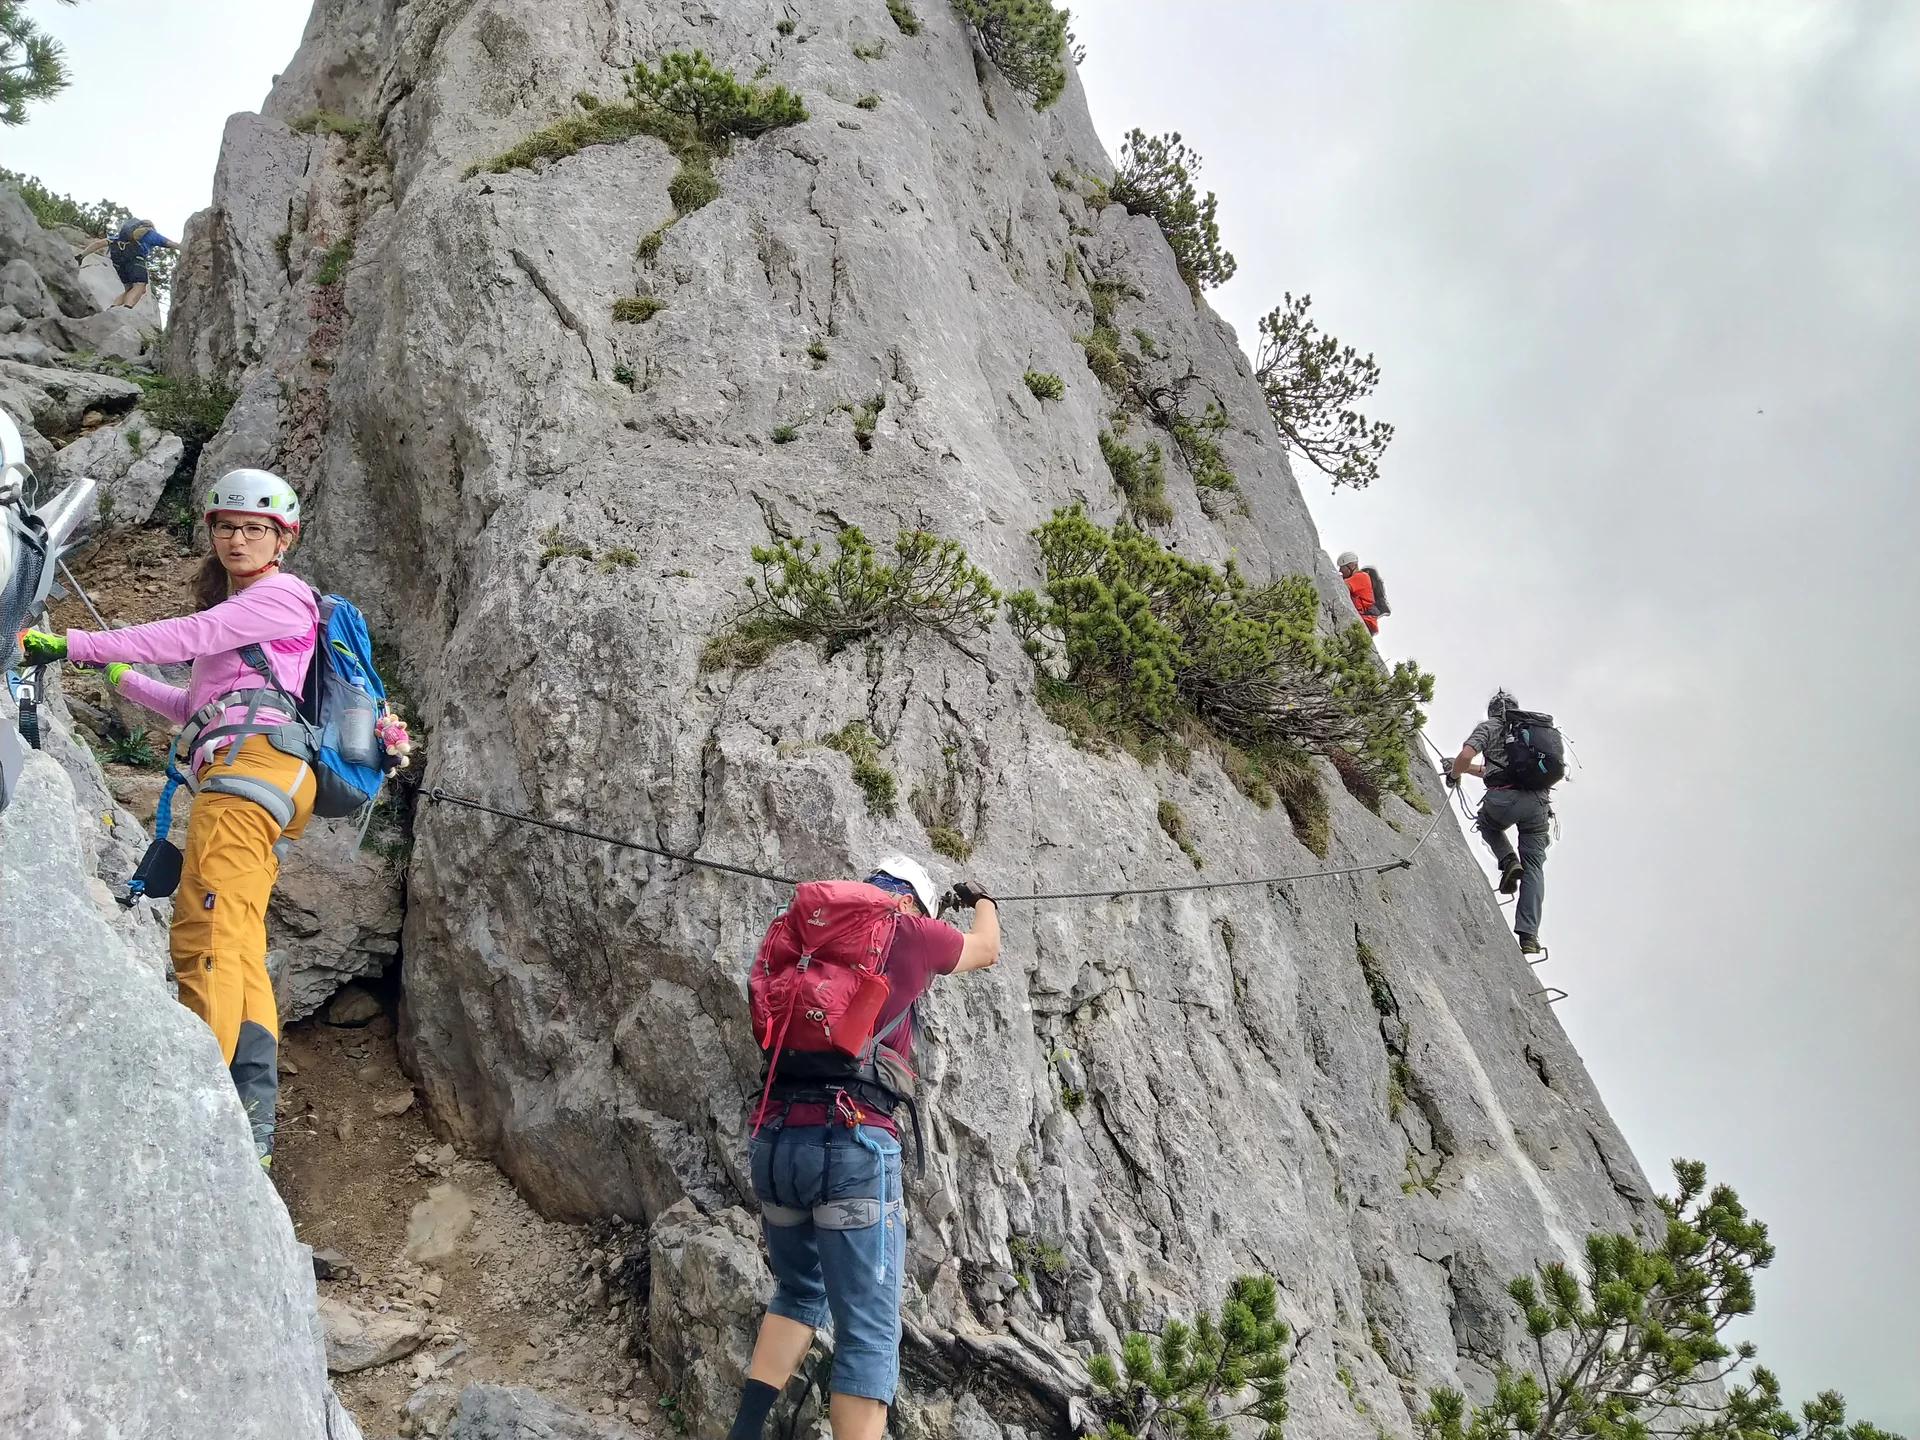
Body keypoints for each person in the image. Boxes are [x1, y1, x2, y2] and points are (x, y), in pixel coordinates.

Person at [19, 470, 317, 1165]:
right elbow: (194, 707)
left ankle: (196, 1111)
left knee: (203, 931)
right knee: (237, 943)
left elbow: (189, 633)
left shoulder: (280, 595)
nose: (237, 538)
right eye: (226, 526)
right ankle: (252, 1123)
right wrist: (118, 679)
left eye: (255, 529)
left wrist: (73, 645)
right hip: (257, 767)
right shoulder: (253, 621)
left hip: (248, 773)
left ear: (283, 541)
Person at [728, 856, 1000, 1440]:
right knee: (869, 1333)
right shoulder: (912, 932)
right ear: (916, 903)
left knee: (800, 1289)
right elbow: (985, 949)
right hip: (851, 1151)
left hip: (774, 1144)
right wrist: (984, 901)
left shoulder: (807, 926)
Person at [1446, 689, 1550, 955]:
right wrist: (1463, 768)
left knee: (1488, 825)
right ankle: (1529, 935)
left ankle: (1507, 860)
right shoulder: (1529, 733)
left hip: (1503, 800)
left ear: (1492, 711)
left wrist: (1454, 774)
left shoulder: (1490, 727)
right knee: (1535, 867)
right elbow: (1486, 768)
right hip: (1538, 805)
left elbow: (1467, 756)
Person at [78, 218, 180, 309]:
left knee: (130, 289)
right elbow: (169, 243)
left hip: (117, 261)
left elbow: (99, 243)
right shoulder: (149, 233)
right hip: (136, 258)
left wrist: (81, 256)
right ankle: (126, 310)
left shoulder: (120, 237)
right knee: (139, 286)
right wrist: (184, 248)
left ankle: (112, 309)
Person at [1337, 551, 1380, 635]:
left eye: (1342, 567)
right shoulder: (1354, 577)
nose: (1340, 570)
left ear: (1352, 566)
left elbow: (1342, 585)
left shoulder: (1361, 577)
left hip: (1364, 620)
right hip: (1363, 619)